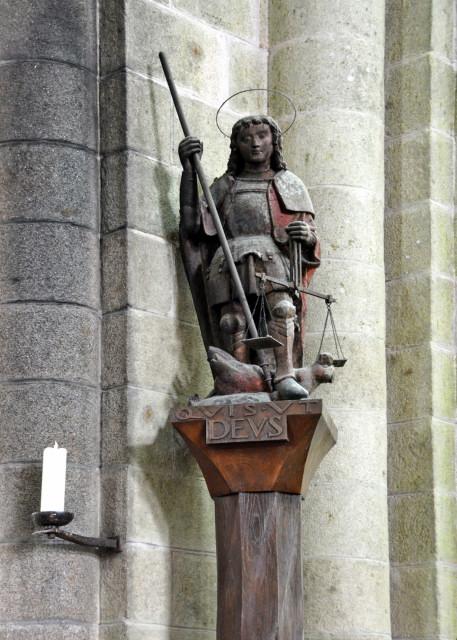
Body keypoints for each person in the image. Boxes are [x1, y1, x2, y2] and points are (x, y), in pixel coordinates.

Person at [178, 115, 320, 399]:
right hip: (229, 261)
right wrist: (188, 171)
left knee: (282, 310)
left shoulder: (290, 185)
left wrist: (308, 236)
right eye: (246, 138)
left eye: (262, 136)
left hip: (272, 258)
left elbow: (309, 236)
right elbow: (192, 225)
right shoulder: (224, 186)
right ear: (236, 146)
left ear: (274, 142)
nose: (254, 143)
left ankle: (284, 376)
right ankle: (238, 382)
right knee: (232, 322)